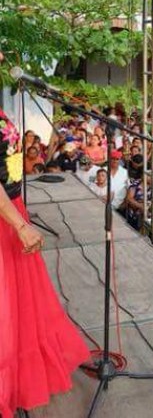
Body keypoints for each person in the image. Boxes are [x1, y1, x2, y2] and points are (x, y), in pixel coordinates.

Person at [0, 105, 90, 416]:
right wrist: (20, 225)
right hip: (6, 217)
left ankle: (19, 379)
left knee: (21, 304)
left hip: (12, 209)